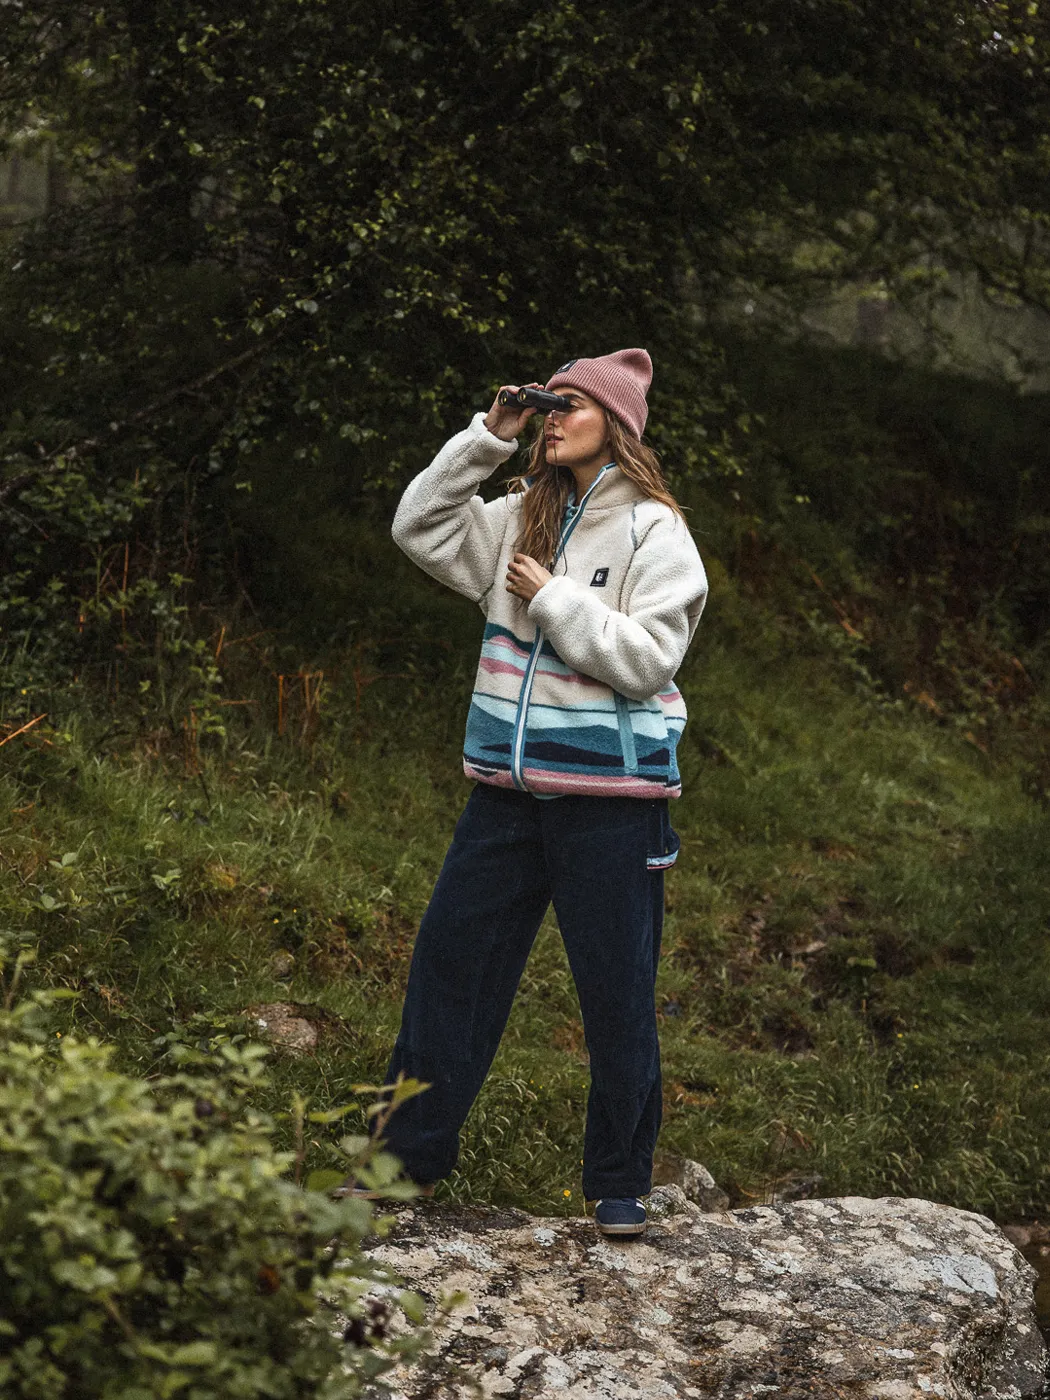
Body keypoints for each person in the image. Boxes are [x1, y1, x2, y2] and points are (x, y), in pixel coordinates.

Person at [341, 349, 708, 1238]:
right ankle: (398, 1166)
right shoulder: (518, 521)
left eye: (570, 405)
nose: (552, 417)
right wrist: (485, 441)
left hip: (612, 805)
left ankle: (619, 1183)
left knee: (615, 994)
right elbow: (418, 529)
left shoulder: (656, 531)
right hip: (505, 801)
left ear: (616, 425)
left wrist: (550, 602)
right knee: (449, 977)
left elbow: (648, 658)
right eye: (546, 405)